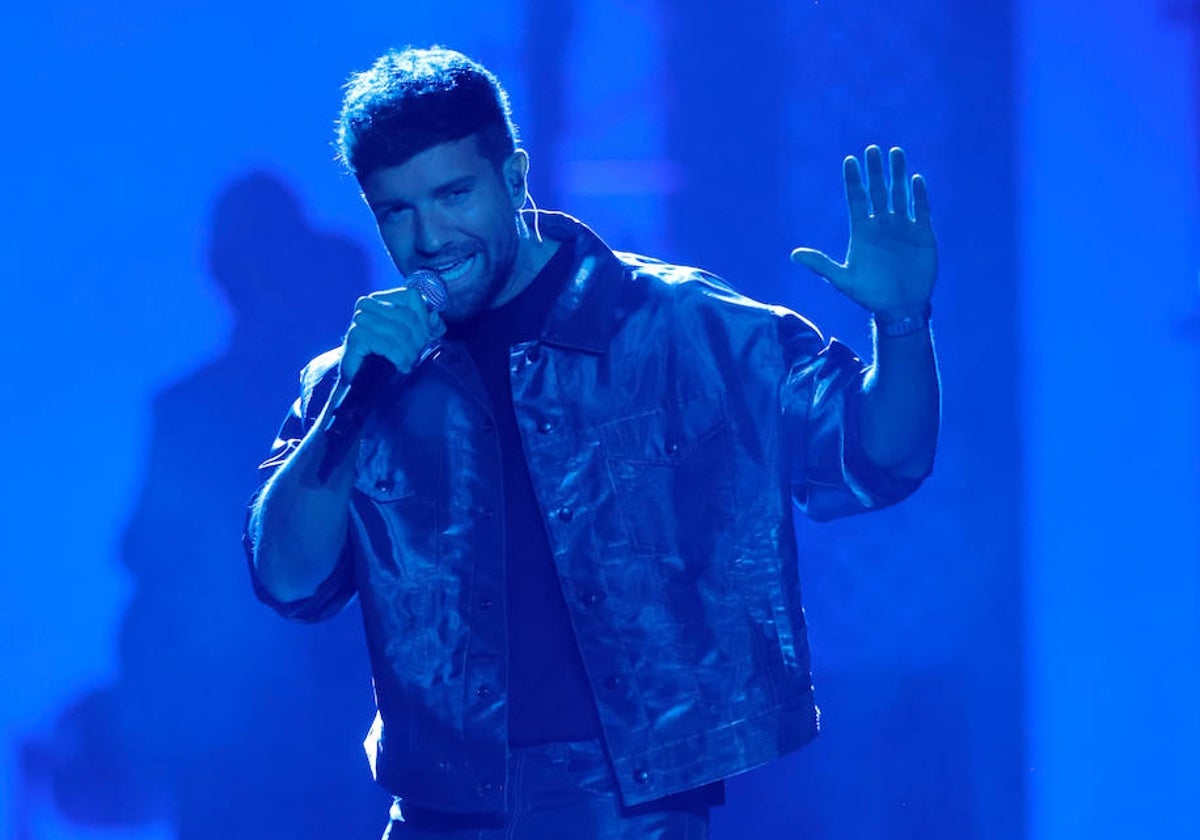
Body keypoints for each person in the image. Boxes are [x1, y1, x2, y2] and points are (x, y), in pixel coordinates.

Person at [243, 45, 939, 839]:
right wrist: (349, 407)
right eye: (396, 211)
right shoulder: (359, 379)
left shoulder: (682, 327)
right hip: (438, 814)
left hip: (633, 812)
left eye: (453, 194)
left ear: (513, 179)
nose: (430, 236)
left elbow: (883, 457)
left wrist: (903, 324)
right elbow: (288, 580)